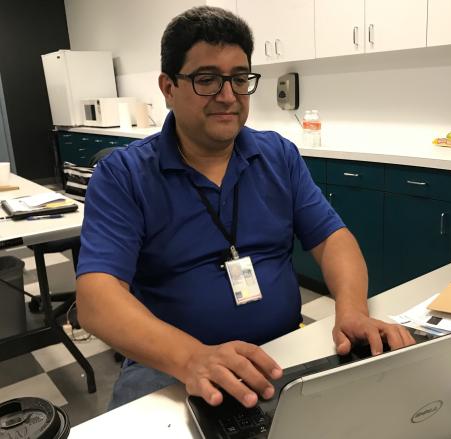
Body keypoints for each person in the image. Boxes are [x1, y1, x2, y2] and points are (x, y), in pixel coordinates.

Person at [76, 6, 415, 410]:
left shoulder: (278, 156)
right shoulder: (124, 174)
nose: (227, 96)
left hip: (283, 351)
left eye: (239, 79)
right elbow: (96, 300)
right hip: (171, 367)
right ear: (168, 88)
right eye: (207, 80)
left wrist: (353, 311)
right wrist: (192, 357)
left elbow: (333, 239)